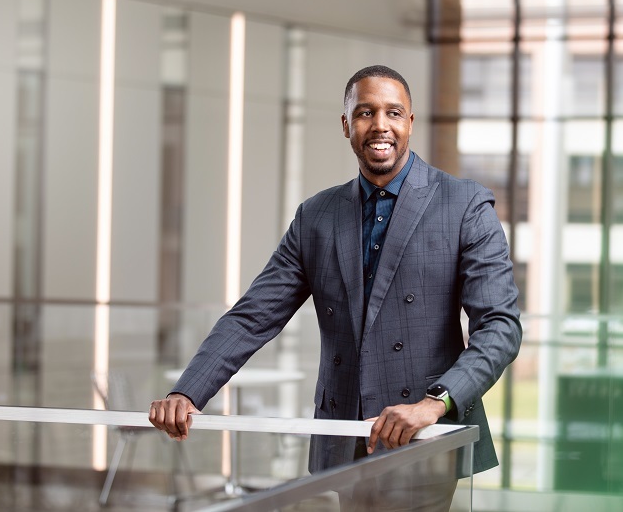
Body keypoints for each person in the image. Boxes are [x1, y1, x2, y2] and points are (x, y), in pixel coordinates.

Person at [149, 65, 522, 510]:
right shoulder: (317, 215)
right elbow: (254, 315)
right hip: (344, 436)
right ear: (346, 125)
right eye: (365, 113)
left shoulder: (464, 205)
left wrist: (435, 402)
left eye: (394, 112)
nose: (380, 125)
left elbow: (500, 327)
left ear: (410, 123)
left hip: (426, 436)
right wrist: (188, 391)